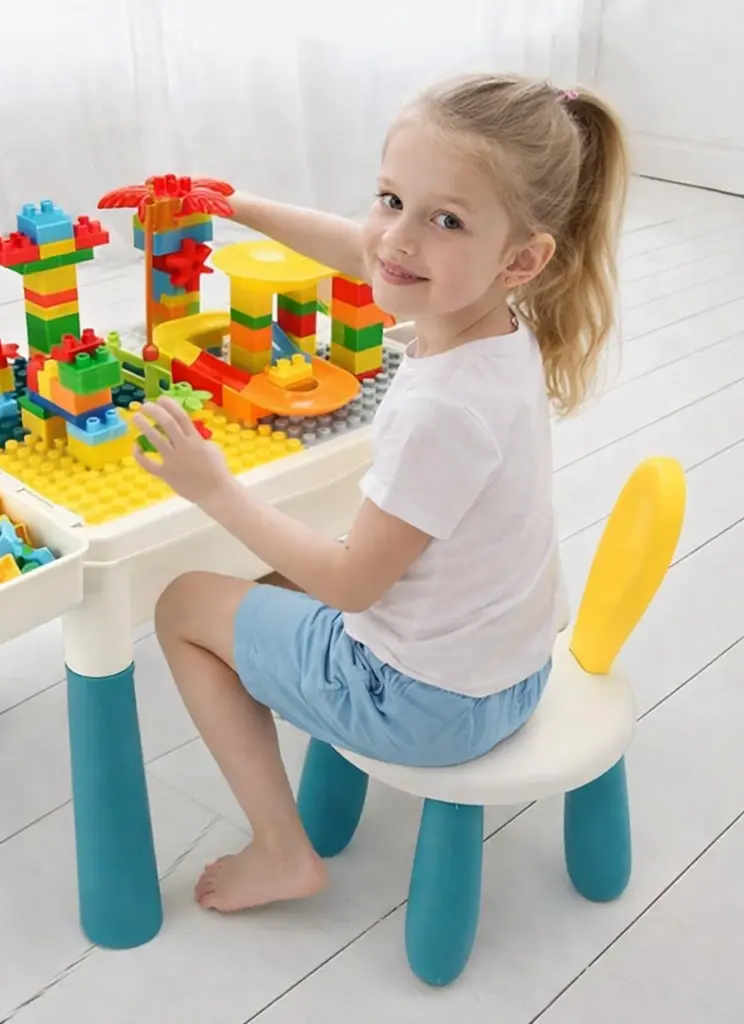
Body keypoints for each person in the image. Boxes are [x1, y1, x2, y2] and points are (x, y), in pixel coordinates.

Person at [131, 73, 629, 914]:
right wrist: (239, 207)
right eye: (391, 199)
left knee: (183, 604)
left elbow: (353, 585)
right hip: (513, 672)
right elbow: (369, 253)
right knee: (263, 582)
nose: (397, 239)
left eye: (445, 220)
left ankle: (281, 850)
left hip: (423, 705)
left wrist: (213, 488)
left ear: (522, 258)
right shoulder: (501, 328)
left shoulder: (442, 409)